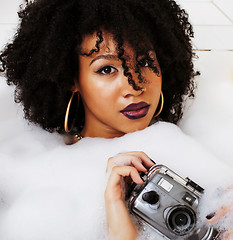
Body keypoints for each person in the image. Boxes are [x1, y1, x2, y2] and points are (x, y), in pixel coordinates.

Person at [0, 0, 232, 239]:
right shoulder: (30, 177)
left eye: (144, 62)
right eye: (107, 69)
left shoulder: (203, 152)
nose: (134, 86)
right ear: (72, 79)